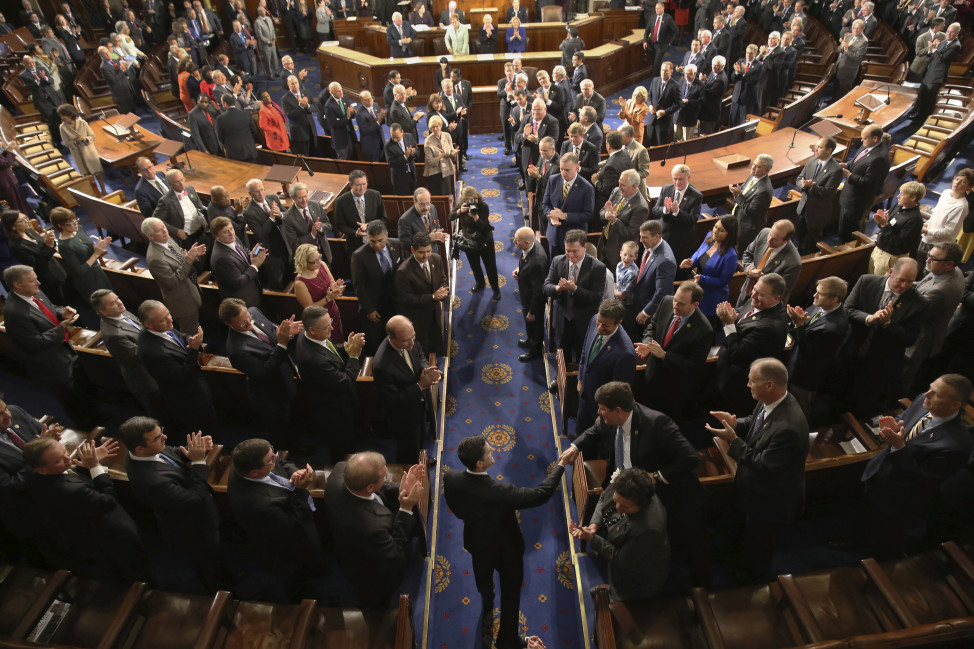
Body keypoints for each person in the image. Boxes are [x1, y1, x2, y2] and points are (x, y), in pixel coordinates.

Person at [444, 436, 569, 649]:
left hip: (477, 543)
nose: (493, 448)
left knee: (482, 576)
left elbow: (455, 507)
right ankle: (508, 641)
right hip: (508, 549)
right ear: (479, 464)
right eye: (488, 451)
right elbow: (541, 494)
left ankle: (486, 598)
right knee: (510, 597)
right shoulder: (501, 492)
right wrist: (560, 466)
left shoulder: (451, 478)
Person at [707, 358, 809, 582]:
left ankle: (751, 585)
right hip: (753, 490)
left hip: (770, 502)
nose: (748, 385)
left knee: (758, 550)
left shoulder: (789, 428)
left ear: (770, 385)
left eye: (752, 381)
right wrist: (735, 424)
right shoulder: (772, 401)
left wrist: (733, 440)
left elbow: (763, 465)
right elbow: (755, 421)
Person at [858, 374, 973, 558]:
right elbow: (905, 421)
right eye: (930, 388)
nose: (926, 394)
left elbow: (920, 480)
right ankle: (855, 541)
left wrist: (898, 446)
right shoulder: (923, 401)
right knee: (865, 515)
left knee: (883, 541)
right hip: (879, 472)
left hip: (900, 499)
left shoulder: (956, 445)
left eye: (936, 394)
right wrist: (894, 429)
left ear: (955, 406)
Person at [118, 416, 224, 591]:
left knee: (217, 558)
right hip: (192, 529)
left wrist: (191, 451)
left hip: (196, 517)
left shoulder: (139, 453)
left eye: (162, 432)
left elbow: (170, 453)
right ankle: (222, 593)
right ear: (139, 448)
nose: (165, 438)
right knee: (210, 566)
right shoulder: (152, 482)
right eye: (158, 438)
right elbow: (195, 499)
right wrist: (198, 461)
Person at [23, 437, 146, 581]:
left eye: (65, 453)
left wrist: (84, 466)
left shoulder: (37, 475)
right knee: (135, 570)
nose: (68, 460)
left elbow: (71, 477)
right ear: (41, 470)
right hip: (110, 537)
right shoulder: (70, 491)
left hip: (85, 532)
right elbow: (108, 501)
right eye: (58, 460)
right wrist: (95, 466)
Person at [2, 265, 98, 428]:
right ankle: (88, 427)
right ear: (17, 285)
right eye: (32, 281)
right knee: (72, 400)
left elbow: (50, 307)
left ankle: (98, 417)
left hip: (65, 351)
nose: (38, 283)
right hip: (51, 364)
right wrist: (62, 327)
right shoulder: (15, 312)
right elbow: (35, 343)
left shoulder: (34, 292)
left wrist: (62, 312)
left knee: (83, 389)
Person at [227, 438, 322, 600]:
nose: (275, 458)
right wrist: (301, 490)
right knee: (299, 583)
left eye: (272, 451)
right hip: (288, 551)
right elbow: (292, 526)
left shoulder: (254, 461)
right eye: (271, 459)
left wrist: (294, 472)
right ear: (254, 473)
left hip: (294, 526)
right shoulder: (258, 505)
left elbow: (282, 462)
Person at [325, 453, 425, 606]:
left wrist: (402, 489)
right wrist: (405, 508)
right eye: (384, 477)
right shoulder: (371, 528)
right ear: (370, 487)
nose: (386, 479)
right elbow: (395, 552)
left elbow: (380, 488)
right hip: (372, 572)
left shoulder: (341, 469)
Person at [842, 258, 926, 415]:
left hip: (880, 363)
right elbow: (847, 309)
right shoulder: (866, 281)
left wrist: (889, 324)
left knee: (863, 402)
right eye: (901, 280)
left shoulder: (919, 303)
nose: (905, 286)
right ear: (891, 272)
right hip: (852, 349)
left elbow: (910, 339)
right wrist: (869, 318)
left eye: (910, 282)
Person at [571, 467, 669, 602]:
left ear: (641, 505)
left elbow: (621, 559)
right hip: (621, 545)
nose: (617, 508)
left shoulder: (649, 529)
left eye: (625, 506)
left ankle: (612, 593)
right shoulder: (624, 483)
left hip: (637, 574)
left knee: (618, 599)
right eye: (616, 500)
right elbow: (603, 498)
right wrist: (594, 525)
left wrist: (592, 538)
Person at [136, 299, 216, 434]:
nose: (170, 319)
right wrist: (193, 350)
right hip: (188, 400)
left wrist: (191, 341)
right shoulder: (155, 353)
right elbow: (181, 378)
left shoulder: (161, 326)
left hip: (197, 389)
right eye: (163, 319)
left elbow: (178, 336)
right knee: (205, 430)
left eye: (168, 313)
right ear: (149, 325)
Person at [295, 306, 365, 458]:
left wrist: (344, 348)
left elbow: (330, 349)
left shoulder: (310, 335)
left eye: (330, 321)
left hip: (337, 401)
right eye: (327, 326)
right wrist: (353, 356)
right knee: (341, 445)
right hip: (333, 409)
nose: (332, 328)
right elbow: (345, 382)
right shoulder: (313, 360)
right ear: (312, 330)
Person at [715, 273, 790, 413]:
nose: (753, 295)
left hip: (739, 385)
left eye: (760, 294)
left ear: (776, 298)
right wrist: (731, 314)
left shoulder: (770, 327)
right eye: (754, 289)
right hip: (725, 369)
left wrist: (729, 324)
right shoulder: (759, 301)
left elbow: (738, 353)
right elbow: (743, 315)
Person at [373, 315, 441, 462]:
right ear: (392, 339)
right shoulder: (382, 365)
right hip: (404, 416)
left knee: (421, 437)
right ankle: (412, 468)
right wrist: (421, 385)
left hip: (419, 404)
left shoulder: (408, 337)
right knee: (408, 447)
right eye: (406, 340)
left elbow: (420, 355)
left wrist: (427, 370)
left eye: (413, 336)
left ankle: (421, 457)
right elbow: (393, 401)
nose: (412, 343)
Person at [903, 242, 965, 392]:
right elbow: (923, 286)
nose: (927, 260)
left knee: (903, 375)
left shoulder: (941, 290)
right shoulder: (950, 270)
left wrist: (896, 287)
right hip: (930, 328)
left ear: (949, 264)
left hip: (919, 340)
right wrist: (905, 282)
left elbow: (912, 313)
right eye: (929, 255)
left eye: (933, 258)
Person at [785, 276, 850, 418]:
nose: (814, 296)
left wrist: (798, 325)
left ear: (834, 299)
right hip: (793, 367)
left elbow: (810, 352)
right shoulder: (819, 305)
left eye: (820, 294)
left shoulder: (834, 327)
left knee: (798, 412)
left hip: (805, 379)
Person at [543, 229, 607, 363]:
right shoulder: (557, 261)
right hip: (561, 319)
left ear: (584, 247)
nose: (570, 255)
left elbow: (596, 298)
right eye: (567, 250)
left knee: (582, 355)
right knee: (561, 352)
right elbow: (546, 287)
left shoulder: (597, 267)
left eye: (575, 251)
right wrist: (558, 288)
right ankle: (561, 380)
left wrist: (575, 289)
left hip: (583, 321)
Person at [92, 290, 161, 413]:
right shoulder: (114, 335)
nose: (119, 302)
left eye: (117, 298)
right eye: (113, 303)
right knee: (161, 412)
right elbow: (139, 355)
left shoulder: (122, 313)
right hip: (147, 379)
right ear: (103, 311)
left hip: (154, 367)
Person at [576, 300, 636, 435]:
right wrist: (580, 378)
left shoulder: (625, 354)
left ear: (618, 323)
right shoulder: (594, 320)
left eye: (606, 326)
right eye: (599, 322)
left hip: (601, 412)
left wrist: (604, 416)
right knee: (579, 434)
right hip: (584, 396)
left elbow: (619, 393)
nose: (599, 328)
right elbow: (585, 352)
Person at [141, 217, 205, 334]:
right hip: (182, 301)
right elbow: (172, 282)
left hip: (192, 289)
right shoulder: (155, 259)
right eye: (159, 230)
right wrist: (188, 260)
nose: (165, 231)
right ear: (150, 236)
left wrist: (191, 255)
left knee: (197, 325)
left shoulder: (167, 239)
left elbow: (181, 255)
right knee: (190, 332)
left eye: (164, 227)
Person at [351, 221, 404, 356]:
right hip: (374, 308)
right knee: (376, 343)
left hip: (395, 302)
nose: (377, 245)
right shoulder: (359, 256)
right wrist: (369, 309)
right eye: (372, 241)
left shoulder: (396, 244)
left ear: (386, 235)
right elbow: (359, 286)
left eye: (380, 240)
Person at [49, 207, 112, 317]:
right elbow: (79, 271)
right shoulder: (65, 246)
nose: (75, 225)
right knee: (105, 307)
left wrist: (100, 246)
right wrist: (96, 254)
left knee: (112, 297)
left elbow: (89, 249)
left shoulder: (80, 229)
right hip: (88, 280)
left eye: (75, 220)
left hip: (97, 271)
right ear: (60, 225)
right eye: (70, 223)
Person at [394, 232, 449, 356]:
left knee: (438, 342)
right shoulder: (403, 272)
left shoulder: (436, 258)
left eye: (428, 251)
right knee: (422, 349)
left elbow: (443, 280)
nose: (426, 256)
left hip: (436, 312)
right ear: (413, 250)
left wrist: (443, 290)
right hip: (418, 318)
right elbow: (407, 299)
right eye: (421, 252)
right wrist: (432, 297)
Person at [838, 125, 890, 243]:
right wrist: (847, 165)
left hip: (857, 201)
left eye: (865, 138)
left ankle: (844, 253)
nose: (862, 140)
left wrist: (848, 175)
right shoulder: (867, 144)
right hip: (848, 196)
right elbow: (857, 160)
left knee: (848, 232)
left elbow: (869, 183)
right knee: (842, 228)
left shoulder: (879, 158)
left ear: (875, 139)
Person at [2, 211, 67, 304]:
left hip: (58, 270)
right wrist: (49, 245)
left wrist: (50, 241)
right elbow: (38, 265)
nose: (27, 221)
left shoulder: (29, 231)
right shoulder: (16, 246)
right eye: (22, 221)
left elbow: (44, 247)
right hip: (48, 280)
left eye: (25, 218)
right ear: (13, 227)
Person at [736, 220, 802, 308]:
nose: (769, 241)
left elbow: (781, 291)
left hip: (762, 303)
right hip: (746, 291)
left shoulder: (793, 263)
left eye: (775, 239)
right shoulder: (764, 232)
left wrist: (759, 277)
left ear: (787, 240)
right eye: (770, 235)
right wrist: (750, 270)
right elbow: (748, 254)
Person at [628, 219, 677, 337]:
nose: (641, 241)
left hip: (650, 312)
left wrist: (646, 312)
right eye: (640, 236)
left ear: (657, 236)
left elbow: (662, 293)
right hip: (639, 302)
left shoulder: (665, 261)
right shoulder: (653, 245)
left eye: (645, 237)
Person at [541, 153, 595, 258]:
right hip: (554, 236)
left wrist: (565, 216)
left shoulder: (587, 188)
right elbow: (545, 204)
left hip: (574, 241)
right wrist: (551, 217)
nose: (563, 173)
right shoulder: (553, 180)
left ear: (577, 168)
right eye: (561, 169)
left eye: (567, 170)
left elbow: (588, 215)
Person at [795, 136, 842, 254]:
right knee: (800, 234)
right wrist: (802, 184)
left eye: (820, 147)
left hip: (818, 212)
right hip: (803, 208)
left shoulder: (836, 169)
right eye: (816, 146)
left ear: (829, 150)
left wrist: (812, 187)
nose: (815, 149)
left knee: (810, 242)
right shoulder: (812, 161)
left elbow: (829, 192)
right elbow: (799, 178)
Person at [453, 186, 500, 299]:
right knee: (474, 265)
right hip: (469, 242)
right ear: (464, 200)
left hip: (485, 242)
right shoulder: (462, 206)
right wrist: (459, 211)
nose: (473, 202)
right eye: (469, 200)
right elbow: (450, 216)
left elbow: (484, 227)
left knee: (490, 267)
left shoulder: (483, 207)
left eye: (475, 199)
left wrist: (475, 216)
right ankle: (480, 283)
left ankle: (496, 289)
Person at [869, 181, 926, 275]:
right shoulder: (899, 206)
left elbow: (898, 244)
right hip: (878, 249)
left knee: (879, 284)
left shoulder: (915, 220)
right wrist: (881, 222)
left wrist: (884, 225)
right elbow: (886, 226)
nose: (897, 196)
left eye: (902, 194)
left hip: (890, 258)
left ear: (913, 198)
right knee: (870, 277)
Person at [917, 169, 973, 260]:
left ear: (969, 187)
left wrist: (927, 231)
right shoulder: (946, 193)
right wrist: (927, 223)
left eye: (963, 182)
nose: (957, 183)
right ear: (953, 179)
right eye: (957, 179)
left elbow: (948, 232)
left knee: (927, 269)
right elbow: (937, 214)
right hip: (927, 238)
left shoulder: (961, 206)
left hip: (938, 245)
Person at [597, 168, 646, 272]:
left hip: (619, 255)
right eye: (619, 183)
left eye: (623, 185)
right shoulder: (616, 191)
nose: (619, 187)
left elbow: (630, 235)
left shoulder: (641, 207)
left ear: (634, 186)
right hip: (604, 245)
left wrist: (615, 221)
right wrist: (606, 215)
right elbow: (602, 210)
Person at [294, 243, 345, 343]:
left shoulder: (322, 265)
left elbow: (332, 284)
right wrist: (328, 298)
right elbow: (310, 309)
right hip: (320, 321)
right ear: (304, 262)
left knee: (339, 339)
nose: (318, 262)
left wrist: (336, 289)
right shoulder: (300, 283)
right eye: (314, 261)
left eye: (319, 257)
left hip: (333, 311)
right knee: (328, 344)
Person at [653, 164, 703, 264]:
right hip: (665, 237)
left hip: (682, 243)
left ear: (688, 178)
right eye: (675, 179)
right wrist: (665, 210)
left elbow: (692, 220)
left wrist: (678, 212)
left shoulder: (696, 196)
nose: (677, 182)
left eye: (681, 179)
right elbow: (655, 211)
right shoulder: (666, 189)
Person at [513, 227, 549, 362]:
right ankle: (530, 339)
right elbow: (524, 259)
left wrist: (532, 311)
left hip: (534, 302)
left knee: (536, 325)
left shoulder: (537, 262)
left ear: (527, 243)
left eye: (517, 241)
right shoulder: (530, 246)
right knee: (529, 324)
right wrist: (519, 270)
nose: (514, 242)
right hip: (526, 295)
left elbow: (538, 291)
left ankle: (535, 350)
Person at [335, 170, 387, 258]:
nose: (362, 187)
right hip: (355, 246)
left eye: (364, 184)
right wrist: (355, 233)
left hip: (376, 243)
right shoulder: (341, 201)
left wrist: (369, 225)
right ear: (351, 185)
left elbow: (383, 218)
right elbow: (340, 225)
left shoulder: (375, 195)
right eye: (358, 185)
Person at [57, 105, 105, 194]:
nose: (63, 117)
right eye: (61, 115)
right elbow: (66, 143)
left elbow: (92, 136)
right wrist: (75, 142)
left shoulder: (82, 122)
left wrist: (84, 138)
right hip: (78, 154)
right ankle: (97, 193)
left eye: (64, 115)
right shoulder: (62, 127)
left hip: (89, 152)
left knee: (98, 172)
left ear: (70, 114)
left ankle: (104, 190)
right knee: (88, 176)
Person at [730, 154, 775, 251]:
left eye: (758, 166)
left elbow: (750, 211)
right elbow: (744, 192)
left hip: (746, 230)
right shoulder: (753, 176)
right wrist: (736, 191)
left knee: (739, 253)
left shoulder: (764, 190)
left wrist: (738, 195)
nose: (753, 168)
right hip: (738, 220)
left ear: (766, 170)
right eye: (754, 164)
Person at [646, 62, 680, 146]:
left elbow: (678, 104)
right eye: (662, 70)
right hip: (652, 120)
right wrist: (650, 105)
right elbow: (649, 96)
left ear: (671, 72)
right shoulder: (655, 80)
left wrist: (665, 112)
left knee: (661, 146)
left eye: (665, 71)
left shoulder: (675, 86)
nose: (663, 73)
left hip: (664, 123)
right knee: (650, 144)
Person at [282, 74, 317, 156]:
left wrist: (307, 105)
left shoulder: (306, 92)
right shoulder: (285, 99)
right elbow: (290, 116)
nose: (295, 85)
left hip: (311, 130)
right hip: (300, 134)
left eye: (296, 82)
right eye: (292, 84)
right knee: (305, 158)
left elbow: (315, 107)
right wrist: (300, 107)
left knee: (315, 155)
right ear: (288, 85)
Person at [424, 115, 457, 197]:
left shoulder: (447, 135)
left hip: (446, 171)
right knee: (439, 199)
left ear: (441, 126)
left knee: (448, 197)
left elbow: (451, 152)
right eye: (432, 127)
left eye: (437, 126)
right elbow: (430, 162)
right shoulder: (428, 141)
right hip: (435, 174)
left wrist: (453, 154)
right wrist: (441, 155)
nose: (435, 129)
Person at [728, 45, 762, 127]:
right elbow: (733, 78)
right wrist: (736, 72)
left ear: (755, 53)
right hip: (736, 97)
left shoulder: (759, 66)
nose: (748, 55)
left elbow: (753, 81)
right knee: (732, 121)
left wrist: (744, 73)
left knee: (742, 123)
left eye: (751, 53)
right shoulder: (740, 61)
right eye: (747, 53)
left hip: (747, 99)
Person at [643, 2, 678, 76]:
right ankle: (659, 75)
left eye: (658, 8)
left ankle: (654, 80)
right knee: (653, 62)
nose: (656, 10)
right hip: (652, 44)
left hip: (661, 45)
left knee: (656, 62)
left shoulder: (668, 18)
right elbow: (647, 30)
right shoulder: (653, 17)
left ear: (663, 8)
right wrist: (645, 41)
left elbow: (675, 31)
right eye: (656, 8)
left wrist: (670, 42)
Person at [385, 123, 419, 195]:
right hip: (400, 179)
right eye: (393, 137)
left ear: (402, 132)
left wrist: (414, 152)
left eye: (397, 137)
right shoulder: (388, 146)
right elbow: (391, 163)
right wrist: (405, 156)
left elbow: (417, 151)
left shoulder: (409, 136)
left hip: (412, 175)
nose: (394, 139)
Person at [355, 91, 386, 162]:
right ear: (362, 101)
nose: (370, 101)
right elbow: (366, 130)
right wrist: (378, 121)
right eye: (367, 100)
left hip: (381, 140)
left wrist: (383, 117)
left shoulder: (376, 105)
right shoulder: (360, 114)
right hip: (371, 145)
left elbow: (381, 121)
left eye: (371, 98)